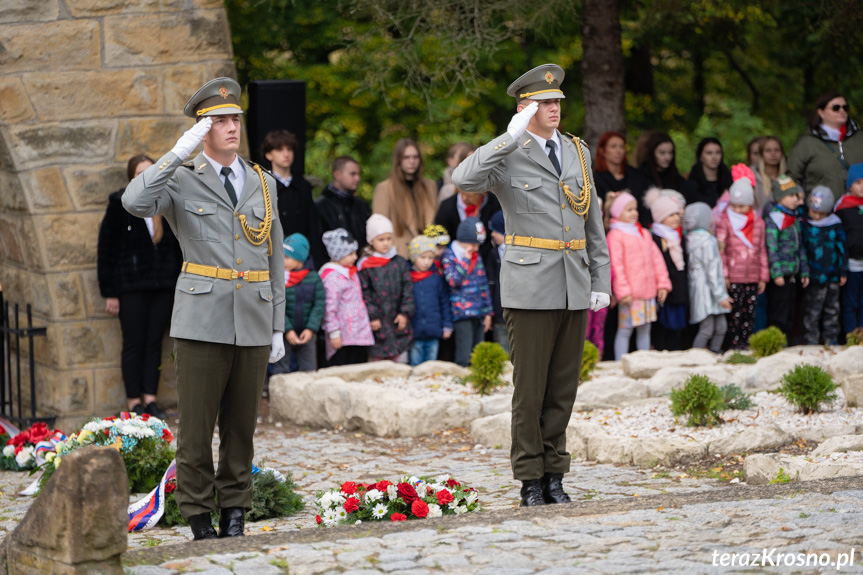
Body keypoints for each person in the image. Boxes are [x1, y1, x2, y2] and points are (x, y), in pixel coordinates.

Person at [122, 78, 286, 541]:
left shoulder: (263, 181)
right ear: (201, 129)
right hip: (201, 319)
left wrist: (278, 325)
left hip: (253, 318)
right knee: (195, 431)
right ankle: (197, 515)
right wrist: (176, 153)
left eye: (235, 118)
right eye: (219, 120)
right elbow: (135, 202)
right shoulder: (179, 177)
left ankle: (235, 511)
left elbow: (275, 259)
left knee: (241, 429)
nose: (231, 127)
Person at [452, 64, 611, 507]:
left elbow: (592, 222)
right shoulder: (509, 153)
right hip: (529, 284)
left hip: (573, 283)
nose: (554, 108)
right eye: (544, 103)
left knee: (563, 389)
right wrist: (507, 137)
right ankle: (529, 479)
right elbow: (463, 180)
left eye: (557, 100)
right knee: (530, 391)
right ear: (525, 109)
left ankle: (555, 474)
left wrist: (601, 278)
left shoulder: (577, 152)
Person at [98, 154, 182, 418]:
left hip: (163, 285)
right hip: (130, 286)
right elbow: (106, 248)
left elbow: (178, 246)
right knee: (134, 343)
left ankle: (151, 399)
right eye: (139, 174)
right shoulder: (119, 204)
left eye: (150, 172)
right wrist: (109, 291)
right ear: (131, 178)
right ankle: (134, 402)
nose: (146, 178)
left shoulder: (166, 202)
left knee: (155, 342)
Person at [607, 192, 671, 360]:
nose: (634, 213)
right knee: (625, 330)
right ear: (617, 212)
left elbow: (657, 260)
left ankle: (644, 362)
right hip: (630, 295)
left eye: (635, 209)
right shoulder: (615, 236)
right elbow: (616, 265)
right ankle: (620, 364)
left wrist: (662, 283)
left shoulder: (643, 233)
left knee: (645, 329)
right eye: (628, 210)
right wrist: (623, 292)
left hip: (647, 293)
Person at [715, 166, 769, 349]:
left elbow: (761, 249)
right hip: (734, 276)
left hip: (752, 276)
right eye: (734, 205)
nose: (737, 210)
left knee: (749, 313)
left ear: (751, 203)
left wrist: (763, 276)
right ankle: (732, 345)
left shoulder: (758, 222)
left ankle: (745, 344)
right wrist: (724, 275)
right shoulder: (724, 221)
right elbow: (720, 251)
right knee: (734, 313)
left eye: (742, 206)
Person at [262, 130, 326, 268]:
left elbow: (312, 225)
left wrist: (316, 260)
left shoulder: (303, 185)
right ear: (269, 154)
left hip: (302, 258)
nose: (286, 154)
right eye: (279, 149)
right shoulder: (262, 185)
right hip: (273, 258)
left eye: (289, 149)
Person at [358, 214, 415, 363]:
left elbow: (407, 288)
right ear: (371, 240)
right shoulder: (366, 266)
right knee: (378, 363)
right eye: (381, 239)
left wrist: (404, 313)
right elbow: (364, 292)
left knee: (401, 361)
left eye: (389, 238)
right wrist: (372, 316)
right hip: (379, 323)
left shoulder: (399, 262)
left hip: (398, 321)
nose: (386, 243)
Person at [788, 92, 863, 197]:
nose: (842, 110)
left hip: (858, 209)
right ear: (821, 112)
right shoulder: (806, 143)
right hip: (819, 211)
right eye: (836, 108)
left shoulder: (860, 138)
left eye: (845, 107)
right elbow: (791, 177)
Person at [372, 139, 438, 258]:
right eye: (406, 157)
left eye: (415, 157)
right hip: (399, 255)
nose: (411, 161)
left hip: (426, 255)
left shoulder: (430, 186)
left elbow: (434, 221)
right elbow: (379, 228)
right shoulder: (385, 188)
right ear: (398, 160)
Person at [270, 233, 325, 373]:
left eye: (287, 257)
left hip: (306, 333)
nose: (283, 260)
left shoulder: (314, 278)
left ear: (299, 258)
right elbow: (276, 305)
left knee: (309, 368)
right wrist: (287, 329)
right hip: (284, 332)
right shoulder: (277, 279)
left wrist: (311, 329)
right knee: (280, 367)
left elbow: (319, 305)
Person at [442, 217, 493, 367]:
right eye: (472, 244)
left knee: (479, 352)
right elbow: (453, 281)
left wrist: (488, 313)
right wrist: (465, 260)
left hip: (478, 312)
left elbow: (483, 284)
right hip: (461, 313)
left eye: (477, 245)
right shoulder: (449, 255)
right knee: (464, 354)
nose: (476, 248)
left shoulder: (476, 257)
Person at [319, 228, 374, 366]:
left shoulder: (350, 271)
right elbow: (329, 308)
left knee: (358, 365)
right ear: (338, 255)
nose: (355, 257)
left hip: (357, 332)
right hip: (342, 335)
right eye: (351, 254)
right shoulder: (332, 277)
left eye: (355, 253)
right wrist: (333, 333)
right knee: (342, 365)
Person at [684, 202, 733, 353]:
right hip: (708, 292)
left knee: (720, 327)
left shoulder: (690, 238)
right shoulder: (706, 242)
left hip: (704, 290)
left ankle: (714, 353)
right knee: (707, 329)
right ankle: (697, 359)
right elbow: (712, 271)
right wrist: (721, 296)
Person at [801, 186, 847, 345]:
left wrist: (843, 270)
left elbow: (842, 248)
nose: (816, 216)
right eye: (813, 212)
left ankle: (831, 339)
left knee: (832, 310)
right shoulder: (805, 225)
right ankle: (811, 340)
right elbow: (802, 250)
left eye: (821, 214)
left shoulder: (835, 224)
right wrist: (804, 272)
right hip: (814, 278)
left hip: (833, 276)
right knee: (812, 311)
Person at [644, 189, 688, 351]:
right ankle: (661, 349)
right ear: (660, 217)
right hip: (664, 289)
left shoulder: (676, 236)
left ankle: (674, 350)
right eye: (671, 215)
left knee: (676, 325)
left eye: (677, 214)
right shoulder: (655, 238)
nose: (676, 218)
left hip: (678, 287)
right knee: (663, 323)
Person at [765, 176, 809, 335]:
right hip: (780, 276)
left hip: (793, 274)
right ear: (779, 197)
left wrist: (804, 270)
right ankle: (776, 342)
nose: (795, 199)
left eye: (796, 195)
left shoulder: (793, 218)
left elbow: (800, 246)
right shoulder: (773, 219)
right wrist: (777, 273)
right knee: (778, 312)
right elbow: (772, 248)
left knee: (791, 311)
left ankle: (788, 343)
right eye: (791, 195)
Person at [407, 235, 452, 365]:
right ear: (414, 257)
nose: (427, 262)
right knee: (415, 363)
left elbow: (444, 303)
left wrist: (447, 325)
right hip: (414, 332)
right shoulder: (408, 278)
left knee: (431, 365)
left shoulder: (436, 278)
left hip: (434, 331)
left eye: (430, 258)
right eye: (423, 257)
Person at [593, 131, 652, 227]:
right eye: (613, 146)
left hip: (637, 229)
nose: (618, 151)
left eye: (622, 147)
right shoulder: (595, 179)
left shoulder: (637, 176)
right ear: (602, 150)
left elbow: (645, 208)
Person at [435, 180, 501, 261]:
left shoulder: (493, 203)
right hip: (455, 257)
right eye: (461, 193)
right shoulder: (448, 205)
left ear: (482, 193)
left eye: (469, 196)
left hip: (484, 257)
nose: (464, 198)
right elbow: (441, 232)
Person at [315, 156, 372, 251]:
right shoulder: (321, 207)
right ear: (337, 174)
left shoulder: (362, 206)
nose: (358, 178)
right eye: (352, 174)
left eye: (358, 174)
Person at [835, 164, 863, 335]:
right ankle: (851, 336)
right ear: (850, 185)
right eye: (858, 182)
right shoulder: (843, 208)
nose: (862, 186)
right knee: (850, 303)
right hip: (851, 265)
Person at [484, 210, 509, 355]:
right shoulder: (493, 254)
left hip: (517, 312)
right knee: (502, 347)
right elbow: (491, 283)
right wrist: (490, 312)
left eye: (496, 231)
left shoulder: (520, 252)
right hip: (499, 313)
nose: (492, 234)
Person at [638, 131, 690, 198]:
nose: (667, 157)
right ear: (652, 153)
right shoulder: (641, 176)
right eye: (662, 153)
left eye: (670, 153)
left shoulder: (675, 176)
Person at [686, 137, 733, 208]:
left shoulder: (729, 181)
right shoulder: (691, 185)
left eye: (718, 152)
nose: (714, 157)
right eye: (709, 153)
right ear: (700, 157)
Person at [754, 136, 787, 214]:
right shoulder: (753, 177)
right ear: (761, 154)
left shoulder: (789, 176)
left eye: (777, 150)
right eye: (768, 150)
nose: (773, 154)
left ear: (782, 153)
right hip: (760, 223)